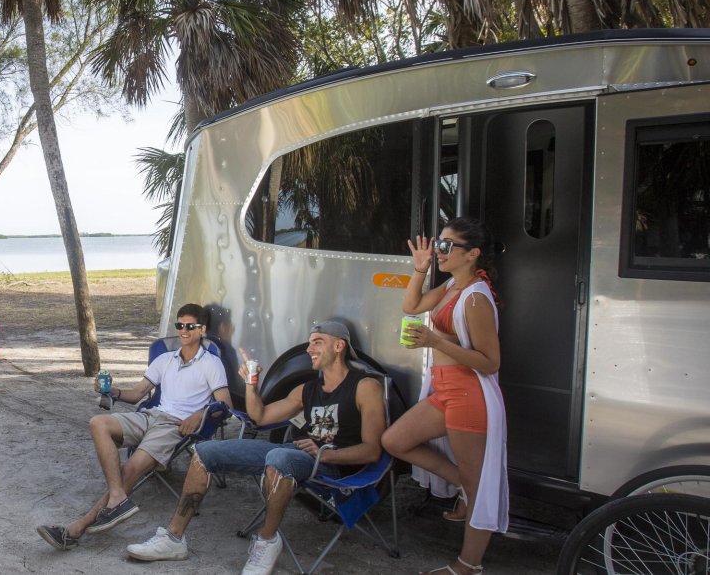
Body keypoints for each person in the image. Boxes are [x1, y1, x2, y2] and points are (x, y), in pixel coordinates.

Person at [124, 320, 384, 575]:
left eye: (318, 342)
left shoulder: (364, 386)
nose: (309, 349)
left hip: (331, 465)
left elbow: (372, 451)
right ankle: (174, 538)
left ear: (339, 346)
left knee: (279, 457)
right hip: (295, 454)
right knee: (205, 453)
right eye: (310, 343)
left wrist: (327, 453)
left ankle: (267, 541)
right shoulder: (307, 389)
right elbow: (260, 417)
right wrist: (251, 384)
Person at [35, 303, 231, 551]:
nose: (183, 330)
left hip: (175, 425)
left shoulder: (211, 363)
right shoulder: (165, 359)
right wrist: (112, 391)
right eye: (179, 325)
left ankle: (75, 529)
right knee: (98, 423)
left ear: (201, 329)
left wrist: (200, 414)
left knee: (131, 468)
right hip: (151, 415)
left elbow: (225, 404)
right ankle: (117, 497)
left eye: (189, 326)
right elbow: (138, 393)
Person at [381, 217, 508, 575]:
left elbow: (491, 362)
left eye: (447, 246)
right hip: (445, 389)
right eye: (439, 243)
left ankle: (468, 565)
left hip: (469, 394)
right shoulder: (453, 286)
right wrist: (419, 269)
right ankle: (462, 487)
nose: (439, 251)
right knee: (395, 440)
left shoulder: (475, 298)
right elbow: (412, 306)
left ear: (473, 254)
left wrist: (436, 341)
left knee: (480, 484)